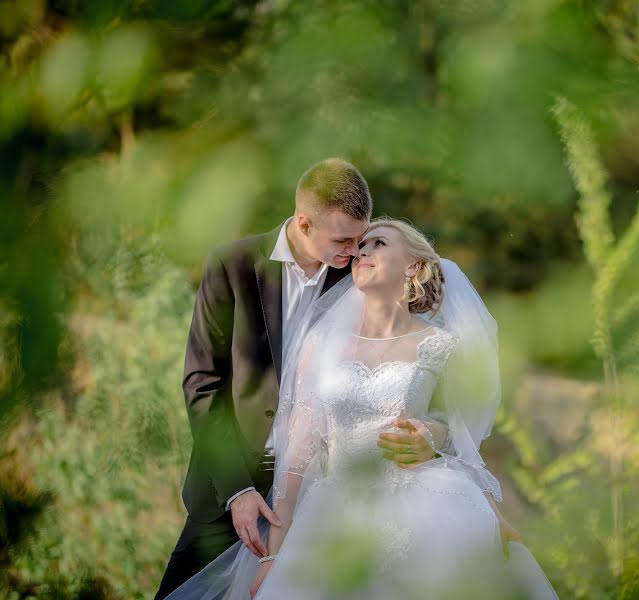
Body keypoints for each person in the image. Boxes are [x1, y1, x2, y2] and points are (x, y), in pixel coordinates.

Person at [164, 218, 558, 599]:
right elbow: (299, 451)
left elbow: (457, 436)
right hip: (332, 507)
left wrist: (444, 450)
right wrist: (274, 553)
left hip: (426, 508)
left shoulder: (440, 346)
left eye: (378, 244)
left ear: (414, 265)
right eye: (361, 247)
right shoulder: (322, 345)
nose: (361, 253)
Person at [155, 160, 448, 599]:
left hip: (319, 491)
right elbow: (203, 385)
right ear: (304, 222)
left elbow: (426, 383)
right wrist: (238, 491)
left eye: (362, 237)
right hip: (232, 479)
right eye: (343, 240)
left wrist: (432, 432)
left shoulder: (360, 276)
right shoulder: (231, 265)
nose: (355, 250)